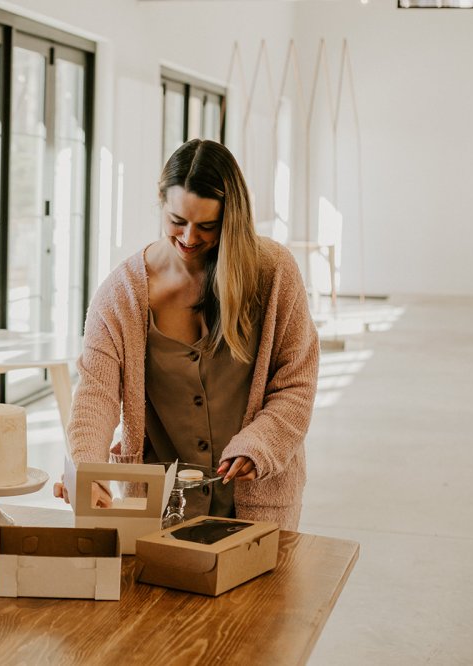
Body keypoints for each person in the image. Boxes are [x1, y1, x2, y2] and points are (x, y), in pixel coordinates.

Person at [54, 139, 319, 529]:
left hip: (260, 503)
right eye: (177, 220)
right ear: (161, 201)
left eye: (208, 226)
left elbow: (296, 383)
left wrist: (258, 445)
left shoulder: (274, 274)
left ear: (232, 218)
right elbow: (97, 392)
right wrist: (85, 469)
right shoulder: (121, 295)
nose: (190, 238)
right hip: (160, 509)